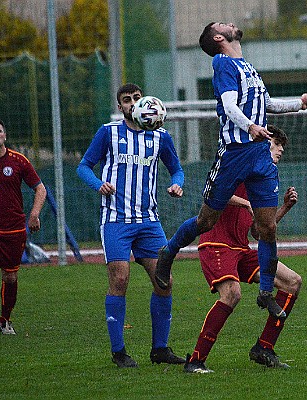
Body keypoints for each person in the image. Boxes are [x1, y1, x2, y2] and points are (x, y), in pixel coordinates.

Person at [155, 22, 307, 320]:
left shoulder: (248, 67)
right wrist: (249, 126)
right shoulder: (223, 63)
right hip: (234, 154)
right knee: (206, 220)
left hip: (260, 157)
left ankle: (266, 292)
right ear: (218, 37)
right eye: (223, 25)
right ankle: (168, 252)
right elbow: (228, 105)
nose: (230, 24)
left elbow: (265, 104)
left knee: (267, 227)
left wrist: (298, 104)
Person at [77, 83, 186, 368]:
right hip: (116, 221)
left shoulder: (160, 136)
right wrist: (98, 184)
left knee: (165, 281)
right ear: (120, 106)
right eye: (127, 100)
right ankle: (119, 352)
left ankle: (160, 349)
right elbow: (83, 166)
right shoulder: (108, 132)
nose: (133, 103)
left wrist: (177, 184)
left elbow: (176, 169)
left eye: (137, 98)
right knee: (120, 280)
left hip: (149, 222)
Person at [184, 125, 301, 373]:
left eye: (282, 146)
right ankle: (195, 360)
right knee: (232, 294)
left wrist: (284, 209)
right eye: (276, 143)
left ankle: (264, 347)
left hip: (241, 248)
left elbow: (260, 232)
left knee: (292, 282)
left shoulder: (265, 178)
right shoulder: (237, 162)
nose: (280, 149)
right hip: (216, 243)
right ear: (261, 143)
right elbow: (216, 194)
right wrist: (247, 202)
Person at [0, 117, 47, 337]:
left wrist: (34, 214)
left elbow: (40, 189)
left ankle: (5, 320)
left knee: (10, 277)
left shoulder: (18, 161)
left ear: (5, 135)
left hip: (13, 228)